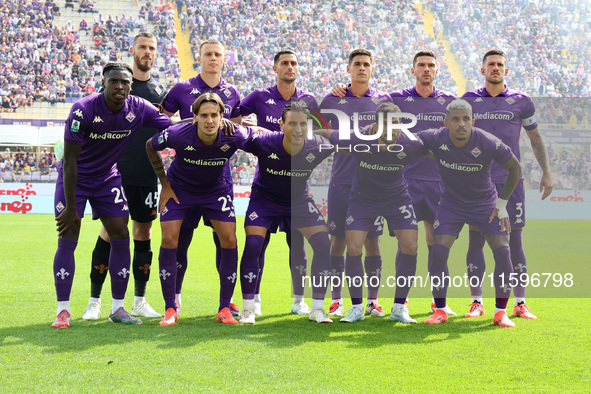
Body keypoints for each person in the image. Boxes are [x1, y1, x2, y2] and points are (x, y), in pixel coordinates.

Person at [332, 50, 457, 316]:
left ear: (437, 69)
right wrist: (341, 92)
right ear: (413, 70)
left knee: (435, 244)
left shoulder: (449, 102)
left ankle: (437, 302)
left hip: (434, 183)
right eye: (421, 65)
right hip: (400, 181)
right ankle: (367, 304)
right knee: (367, 244)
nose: (426, 69)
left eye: (430, 65)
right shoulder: (393, 98)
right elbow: (368, 110)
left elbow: (443, 146)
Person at [51, 62, 172, 329]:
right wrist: (72, 207)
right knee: (68, 234)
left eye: (125, 82)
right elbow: (70, 161)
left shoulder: (138, 107)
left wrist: (202, 119)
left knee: (120, 235)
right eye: (114, 81)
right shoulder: (82, 110)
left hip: (107, 178)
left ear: (131, 85)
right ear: (103, 83)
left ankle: (118, 308)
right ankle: (63, 310)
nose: (119, 86)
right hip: (75, 178)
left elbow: (171, 124)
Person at [146, 93, 256, 325]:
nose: (209, 120)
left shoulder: (233, 134)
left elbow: (261, 138)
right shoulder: (178, 134)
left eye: (214, 115)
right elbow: (150, 145)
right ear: (194, 117)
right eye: (203, 115)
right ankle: (170, 308)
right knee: (169, 238)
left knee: (229, 240)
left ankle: (224, 307)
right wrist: (164, 184)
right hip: (180, 189)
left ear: (221, 116)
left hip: (216, 191)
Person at [82, 33, 168, 321]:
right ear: (132, 50)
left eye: (152, 48)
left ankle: (140, 300)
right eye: (142, 47)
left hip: (146, 173)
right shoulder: (115, 85)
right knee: (110, 232)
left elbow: (168, 129)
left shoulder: (160, 91)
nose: (147, 52)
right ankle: (94, 300)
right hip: (114, 173)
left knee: (143, 234)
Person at [462, 50, 552, 319]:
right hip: (477, 183)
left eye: (500, 64)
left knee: (515, 241)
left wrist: (546, 171)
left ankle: (520, 302)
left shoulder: (521, 101)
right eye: (491, 64)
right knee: (476, 239)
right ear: (482, 70)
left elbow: (535, 139)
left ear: (506, 71)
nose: (496, 68)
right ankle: (476, 302)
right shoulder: (468, 101)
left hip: (511, 183)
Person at [419, 99, 522, 327]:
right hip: (451, 204)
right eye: (455, 119)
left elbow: (515, 167)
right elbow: (410, 141)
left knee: (503, 252)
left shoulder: (486, 140)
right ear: (445, 122)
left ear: (473, 121)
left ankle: (500, 312)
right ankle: (440, 309)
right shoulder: (435, 137)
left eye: (466, 119)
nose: (461, 124)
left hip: (485, 204)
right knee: (438, 252)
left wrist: (502, 203)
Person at [323, 102, 428, 323]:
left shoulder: (411, 143)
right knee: (352, 248)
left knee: (410, 245)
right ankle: (357, 308)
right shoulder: (361, 138)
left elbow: (436, 147)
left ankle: (399, 307)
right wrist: (299, 131)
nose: (392, 129)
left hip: (397, 197)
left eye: (396, 123)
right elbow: (329, 134)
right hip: (363, 198)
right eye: (386, 124)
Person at [161, 39, 242, 317]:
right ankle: (175, 298)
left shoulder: (232, 92)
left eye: (218, 54)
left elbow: (237, 130)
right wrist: (183, 129)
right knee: (180, 239)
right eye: (208, 54)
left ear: (224, 60)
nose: (213, 59)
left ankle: (227, 301)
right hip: (185, 177)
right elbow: (162, 120)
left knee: (224, 239)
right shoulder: (183, 88)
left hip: (220, 178)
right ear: (200, 57)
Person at [238, 50, 319, 316]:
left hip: (297, 188)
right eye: (284, 63)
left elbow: (316, 133)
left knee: (297, 245)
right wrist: (256, 130)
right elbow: (236, 121)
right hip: (267, 182)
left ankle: (299, 301)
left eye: (294, 63)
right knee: (257, 244)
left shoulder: (309, 100)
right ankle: (254, 300)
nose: (290, 67)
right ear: (275, 68)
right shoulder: (259, 97)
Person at [238, 101, 333, 324]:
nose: (298, 129)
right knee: (253, 245)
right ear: (281, 124)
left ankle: (318, 309)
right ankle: (248, 309)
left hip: (298, 201)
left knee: (323, 245)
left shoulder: (318, 145)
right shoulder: (263, 142)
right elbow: (235, 135)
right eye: (292, 124)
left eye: (303, 124)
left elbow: (347, 143)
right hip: (264, 200)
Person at [320, 49, 391, 319]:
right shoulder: (332, 99)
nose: (362, 68)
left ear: (372, 69)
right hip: (341, 181)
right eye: (357, 64)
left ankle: (372, 301)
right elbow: (318, 133)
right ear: (348, 69)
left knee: (372, 243)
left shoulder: (383, 101)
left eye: (366, 64)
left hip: (373, 184)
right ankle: (336, 300)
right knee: (337, 242)